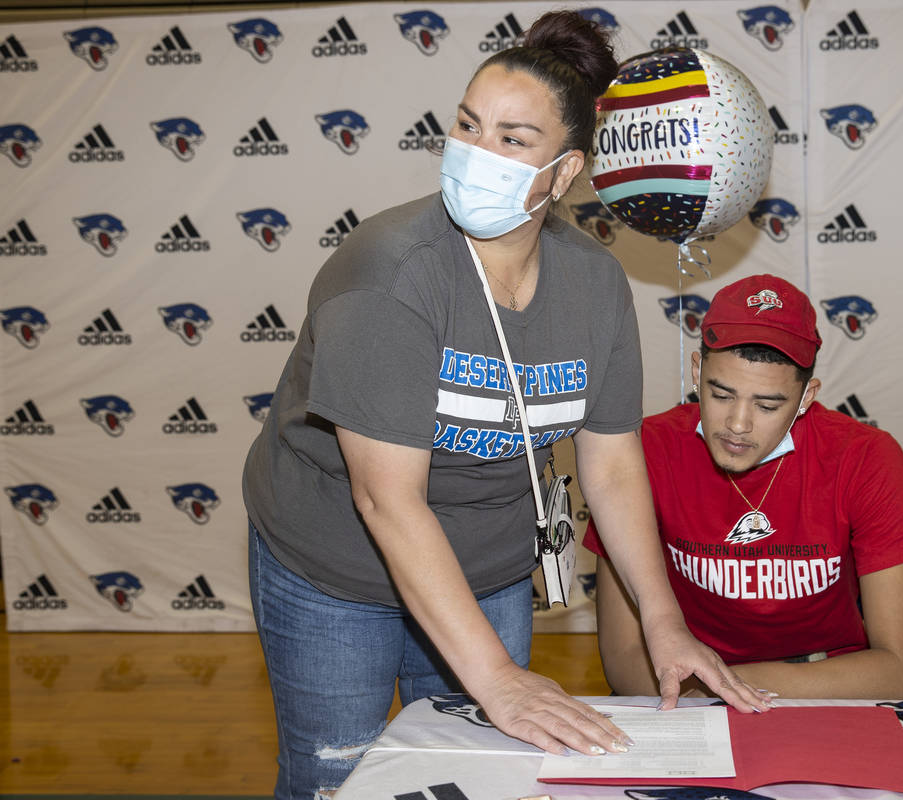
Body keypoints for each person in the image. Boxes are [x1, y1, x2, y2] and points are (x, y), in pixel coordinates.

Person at [241, 12, 768, 800]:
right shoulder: (390, 272)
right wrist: (500, 679)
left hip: (487, 564)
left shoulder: (593, 284)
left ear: (564, 173)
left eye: (514, 139)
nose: (475, 153)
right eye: (467, 124)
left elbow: (614, 465)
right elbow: (386, 500)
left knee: (476, 778)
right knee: (338, 780)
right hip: (335, 569)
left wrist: (664, 622)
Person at [585, 274, 903, 699]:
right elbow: (623, 659)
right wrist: (718, 692)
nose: (738, 424)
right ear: (698, 370)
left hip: (822, 689)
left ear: (806, 397)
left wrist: (726, 688)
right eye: (720, 394)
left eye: (768, 404)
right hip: (686, 693)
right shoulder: (645, 451)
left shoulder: (866, 458)